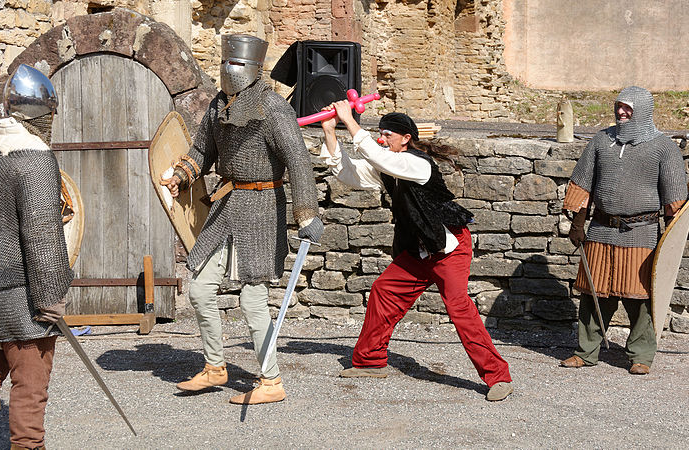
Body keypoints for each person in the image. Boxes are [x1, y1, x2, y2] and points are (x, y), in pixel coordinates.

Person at [163, 34, 323, 405]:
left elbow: (298, 161)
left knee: (253, 301)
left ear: (251, 68)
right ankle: (215, 366)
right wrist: (182, 175)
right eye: (225, 63)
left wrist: (306, 214)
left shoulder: (272, 107)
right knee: (200, 289)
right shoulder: (220, 104)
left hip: (263, 206)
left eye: (235, 64)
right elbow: (203, 149)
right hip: (225, 205)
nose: (228, 71)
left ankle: (271, 380)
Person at [318, 100, 513, 401]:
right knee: (384, 290)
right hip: (420, 250)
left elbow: (381, 158)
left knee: (459, 308)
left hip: (449, 247)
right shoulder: (389, 167)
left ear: (406, 138)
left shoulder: (417, 163)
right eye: (380, 134)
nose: (382, 139)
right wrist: (331, 131)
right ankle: (370, 361)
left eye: (388, 135)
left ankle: (497, 377)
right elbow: (350, 173)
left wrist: (351, 122)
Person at [560, 86, 687, 375]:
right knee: (594, 294)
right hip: (601, 229)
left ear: (641, 110)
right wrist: (578, 224)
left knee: (639, 297)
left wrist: (670, 239)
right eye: (618, 106)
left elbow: (674, 200)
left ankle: (640, 355)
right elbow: (584, 184)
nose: (621, 112)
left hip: (641, 232)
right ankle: (586, 352)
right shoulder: (601, 141)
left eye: (627, 108)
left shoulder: (663, 147)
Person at [0, 65, 73, 449]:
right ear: (43, 114)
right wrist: (50, 299)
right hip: (24, 301)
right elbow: (43, 238)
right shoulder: (35, 158)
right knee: (29, 392)